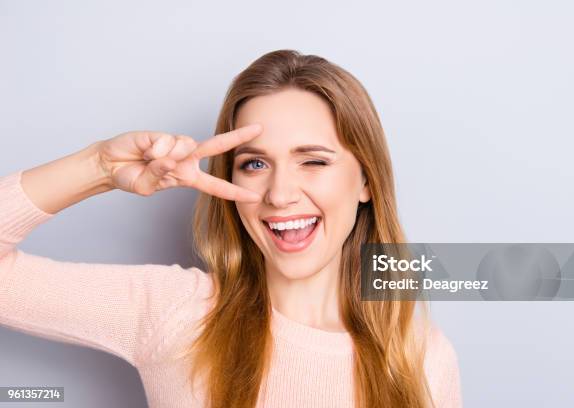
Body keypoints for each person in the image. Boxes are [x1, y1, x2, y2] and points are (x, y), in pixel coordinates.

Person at [0, 49, 462, 407]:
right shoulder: (175, 312)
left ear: (365, 180)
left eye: (314, 161)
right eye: (255, 163)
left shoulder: (419, 356)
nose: (280, 194)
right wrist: (98, 165)